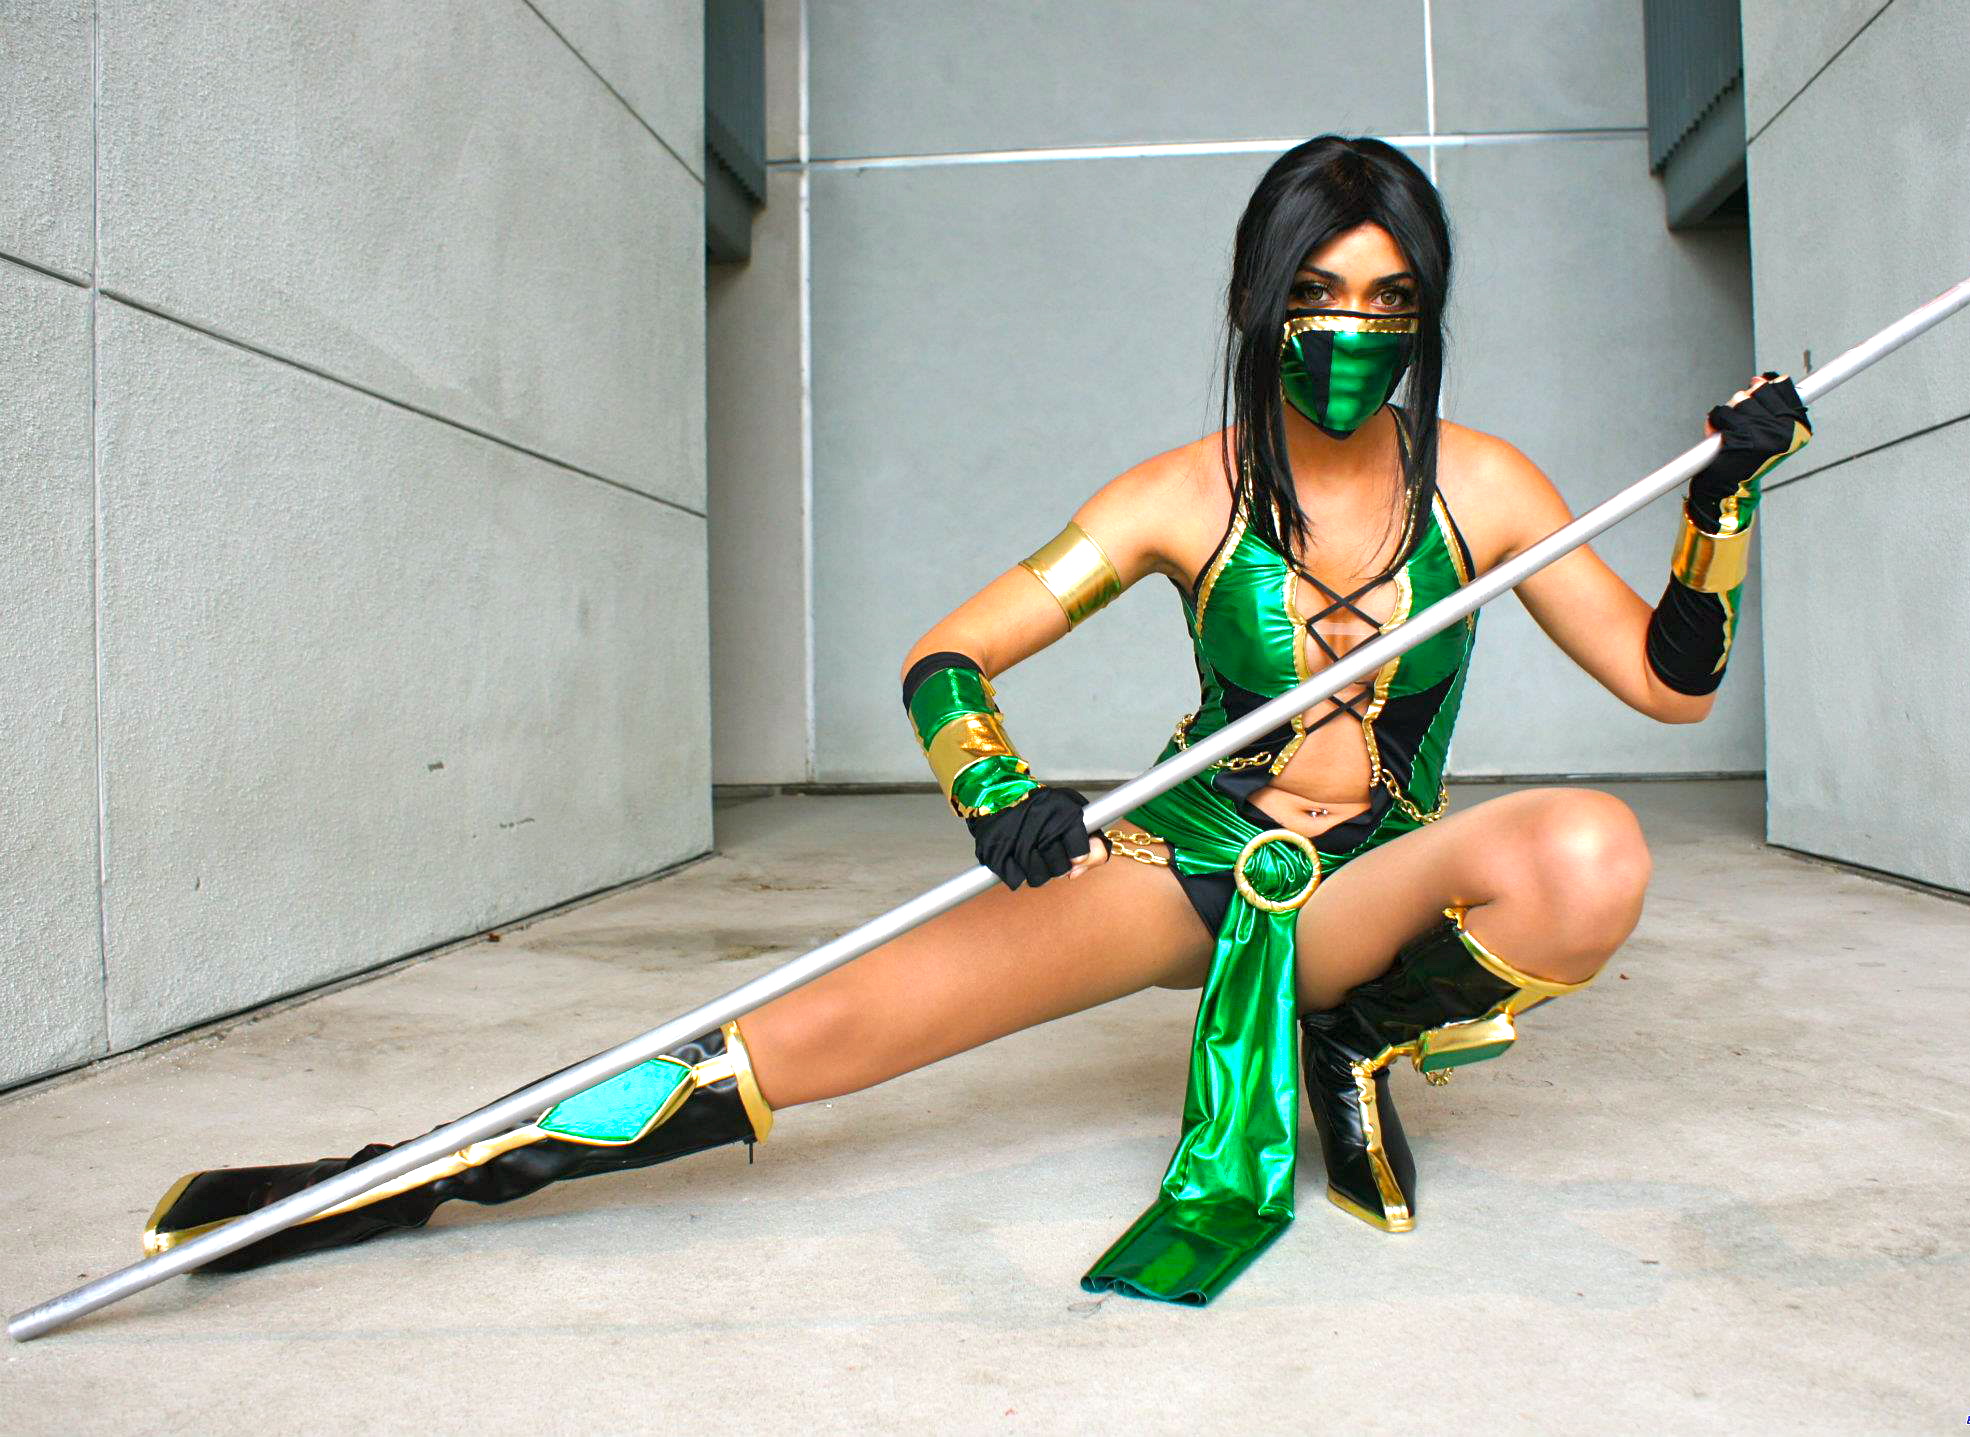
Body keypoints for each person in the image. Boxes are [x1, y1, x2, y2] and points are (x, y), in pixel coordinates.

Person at [140, 135, 1811, 1305]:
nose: (1355, 329)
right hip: (1181, 859)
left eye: (1390, 297)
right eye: (1321, 290)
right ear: (1259, 300)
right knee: (818, 1031)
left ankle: (1357, 1034)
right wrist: (994, 786)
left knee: (1590, 852)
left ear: (1430, 309)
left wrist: (1719, 503)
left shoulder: (1489, 487)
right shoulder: (1178, 496)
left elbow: (1670, 683)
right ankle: (386, 1179)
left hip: (1372, 881)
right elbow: (949, 656)